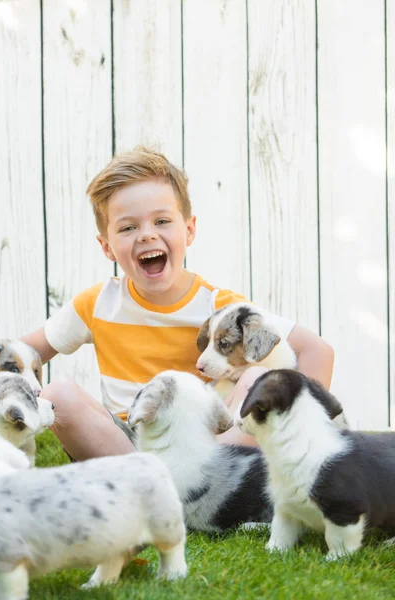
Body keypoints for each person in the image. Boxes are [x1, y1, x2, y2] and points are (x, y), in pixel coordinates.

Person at [20, 147, 334, 461]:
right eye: (128, 227)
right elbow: (24, 353)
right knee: (57, 394)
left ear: (189, 230)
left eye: (162, 221)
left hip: (204, 446)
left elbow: (317, 351)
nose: (146, 235)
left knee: (254, 380)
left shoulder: (221, 308)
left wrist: (300, 434)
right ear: (107, 246)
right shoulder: (97, 303)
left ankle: (210, 492)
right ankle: (150, 487)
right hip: (126, 446)